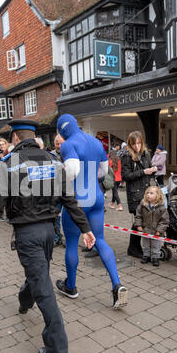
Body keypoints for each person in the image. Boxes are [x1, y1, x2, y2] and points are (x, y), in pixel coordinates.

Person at [0, 119, 95, 353]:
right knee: (38, 275)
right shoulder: (54, 161)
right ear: (33, 136)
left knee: (44, 287)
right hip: (49, 233)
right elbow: (69, 200)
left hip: (28, 235)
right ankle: (24, 300)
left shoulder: (7, 165)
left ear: (15, 138)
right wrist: (86, 228)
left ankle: (57, 350)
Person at [56, 114, 128, 310]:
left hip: (78, 200)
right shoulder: (96, 143)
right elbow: (103, 172)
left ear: (62, 131)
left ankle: (71, 286)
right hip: (95, 196)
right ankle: (116, 285)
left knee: (71, 243)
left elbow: (71, 172)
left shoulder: (68, 144)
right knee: (100, 240)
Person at [121, 131, 157, 258]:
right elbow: (125, 176)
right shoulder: (126, 155)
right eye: (134, 144)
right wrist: (143, 172)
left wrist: (153, 170)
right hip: (135, 193)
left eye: (138, 143)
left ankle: (135, 247)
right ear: (130, 144)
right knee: (139, 220)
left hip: (146, 192)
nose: (136, 146)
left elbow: (149, 169)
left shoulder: (146, 153)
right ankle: (133, 247)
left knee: (141, 220)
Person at [134, 186, 169, 267]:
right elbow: (138, 215)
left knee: (156, 245)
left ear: (158, 195)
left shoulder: (162, 208)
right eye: (147, 193)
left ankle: (155, 257)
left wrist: (159, 230)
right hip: (145, 230)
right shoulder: (143, 205)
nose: (148, 195)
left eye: (151, 193)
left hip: (156, 231)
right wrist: (138, 225)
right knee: (145, 244)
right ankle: (146, 256)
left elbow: (164, 221)